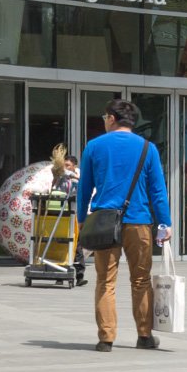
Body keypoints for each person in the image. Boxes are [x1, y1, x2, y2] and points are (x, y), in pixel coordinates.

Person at [76, 101, 171, 351]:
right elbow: (158, 191)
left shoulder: (94, 147)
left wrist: (82, 219)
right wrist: (165, 223)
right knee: (140, 280)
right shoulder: (147, 149)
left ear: (111, 118)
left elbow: (84, 188)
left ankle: (106, 338)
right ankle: (144, 336)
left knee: (105, 281)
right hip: (138, 221)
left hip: (104, 222)